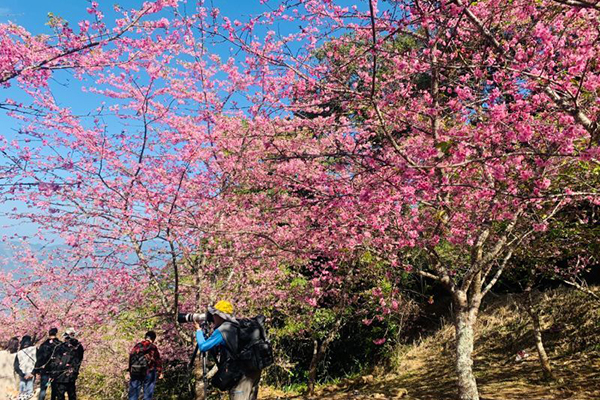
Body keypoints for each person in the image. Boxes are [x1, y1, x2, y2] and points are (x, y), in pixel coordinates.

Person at [194, 301, 261, 400]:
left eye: (214, 315)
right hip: (254, 369)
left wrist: (198, 331)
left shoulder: (223, 330)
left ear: (220, 316)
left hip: (241, 374)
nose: (213, 318)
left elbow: (203, 346)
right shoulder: (236, 325)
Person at [48, 328, 84, 400]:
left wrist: (74, 371)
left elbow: (78, 360)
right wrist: (53, 373)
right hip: (61, 375)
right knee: (63, 395)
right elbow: (55, 361)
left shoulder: (77, 347)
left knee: (69, 395)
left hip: (68, 375)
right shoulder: (60, 347)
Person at [128, 330, 162, 400]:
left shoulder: (137, 346)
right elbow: (157, 360)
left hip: (135, 370)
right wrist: (160, 372)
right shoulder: (153, 347)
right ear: (153, 339)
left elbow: (131, 358)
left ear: (145, 337)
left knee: (133, 393)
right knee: (148, 394)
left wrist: (130, 371)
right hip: (149, 371)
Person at [33, 328, 61, 400]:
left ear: (49, 334)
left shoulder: (43, 345)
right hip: (56, 370)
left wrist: (37, 369)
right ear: (56, 334)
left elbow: (39, 358)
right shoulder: (59, 344)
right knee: (54, 389)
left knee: (43, 388)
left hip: (45, 370)